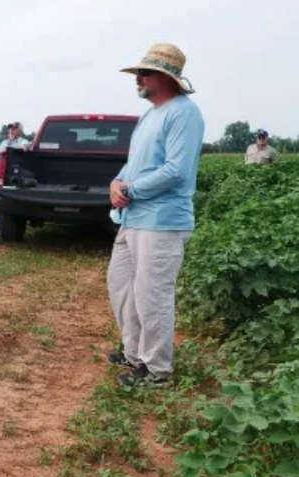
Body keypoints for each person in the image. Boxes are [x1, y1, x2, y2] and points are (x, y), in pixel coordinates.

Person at [107, 43, 204, 387]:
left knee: (152, 295)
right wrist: (117, 182)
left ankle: (157, 369)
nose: (138, 79)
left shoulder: (183, 113)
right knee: (122, 287)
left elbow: (176, 171)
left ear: (165, 78)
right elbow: (135, 164)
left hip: (162, 221)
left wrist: (130, 190)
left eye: (143, 74)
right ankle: (135, 353)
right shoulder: (150, 115)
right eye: (137, 74)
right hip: (133, 219)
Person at [0, 122, 32, 245]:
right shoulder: (3, 142)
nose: (11, 131)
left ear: (20, 130)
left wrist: (11, 147)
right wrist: (8, 144)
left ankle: (0, 231)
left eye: (14, 129)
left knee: (7, 205)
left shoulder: (24, 142)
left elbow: (24, 149)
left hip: (14, 178)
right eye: (10, 129)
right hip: (0, 177)